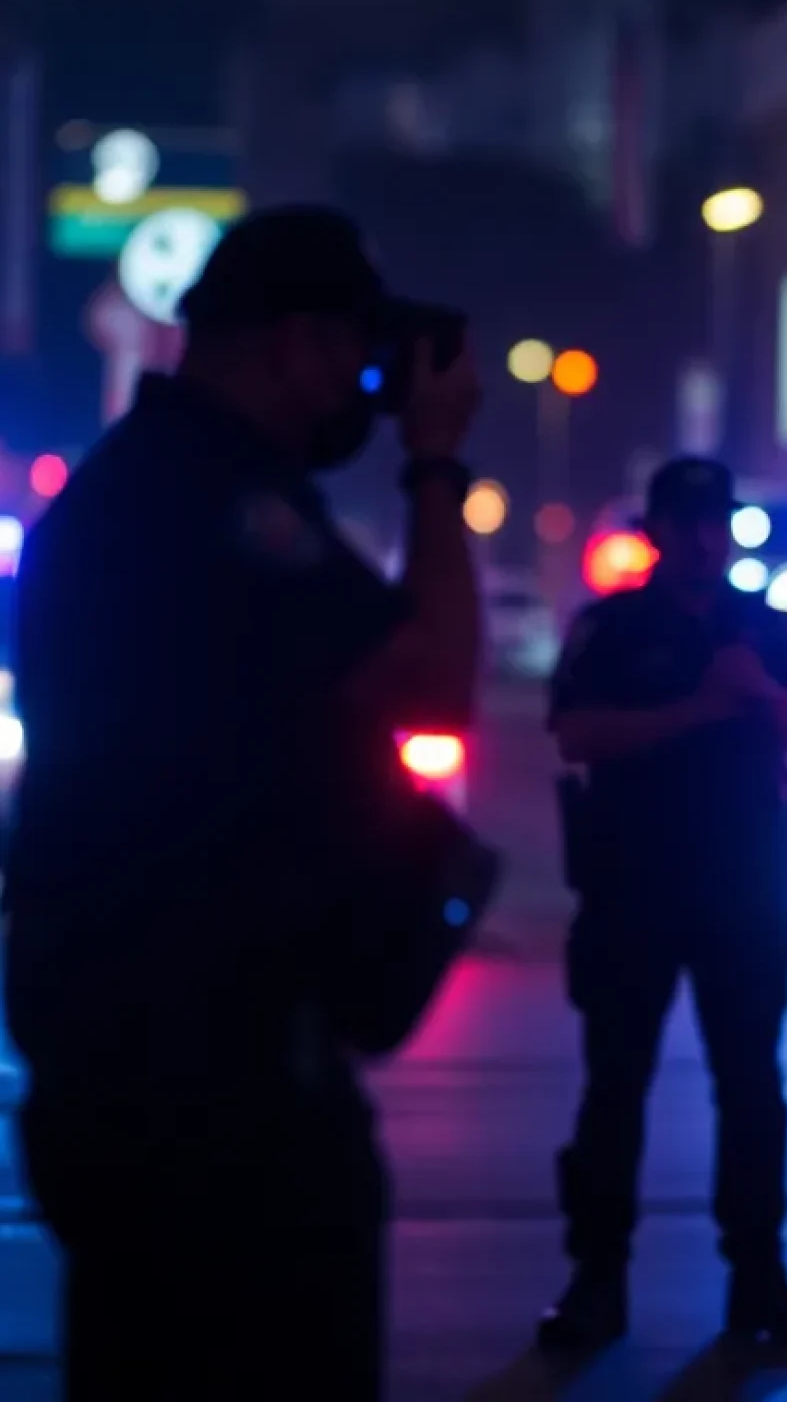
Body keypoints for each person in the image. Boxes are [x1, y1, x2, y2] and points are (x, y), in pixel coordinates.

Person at [3, 206, 484, 1400]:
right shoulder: (215, 499)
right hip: (209, 1088)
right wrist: (433, 462)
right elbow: (435, 675)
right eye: (355, 354)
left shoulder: (155, 483)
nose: (362, 388)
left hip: (141, 1058)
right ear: (293, 345)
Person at [539, 457, 787, 1353]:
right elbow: (574, 732)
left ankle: (759, 1279)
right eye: (688, 522)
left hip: (742, 891)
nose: (705, 539)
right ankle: (597, 1282)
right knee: (615, 1092)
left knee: (753, 1090)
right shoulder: (612, 627)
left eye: (718, 522)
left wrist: (769, 696)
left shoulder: (764, 627)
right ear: (657, 532)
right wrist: (699, 707)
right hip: (631, 887)